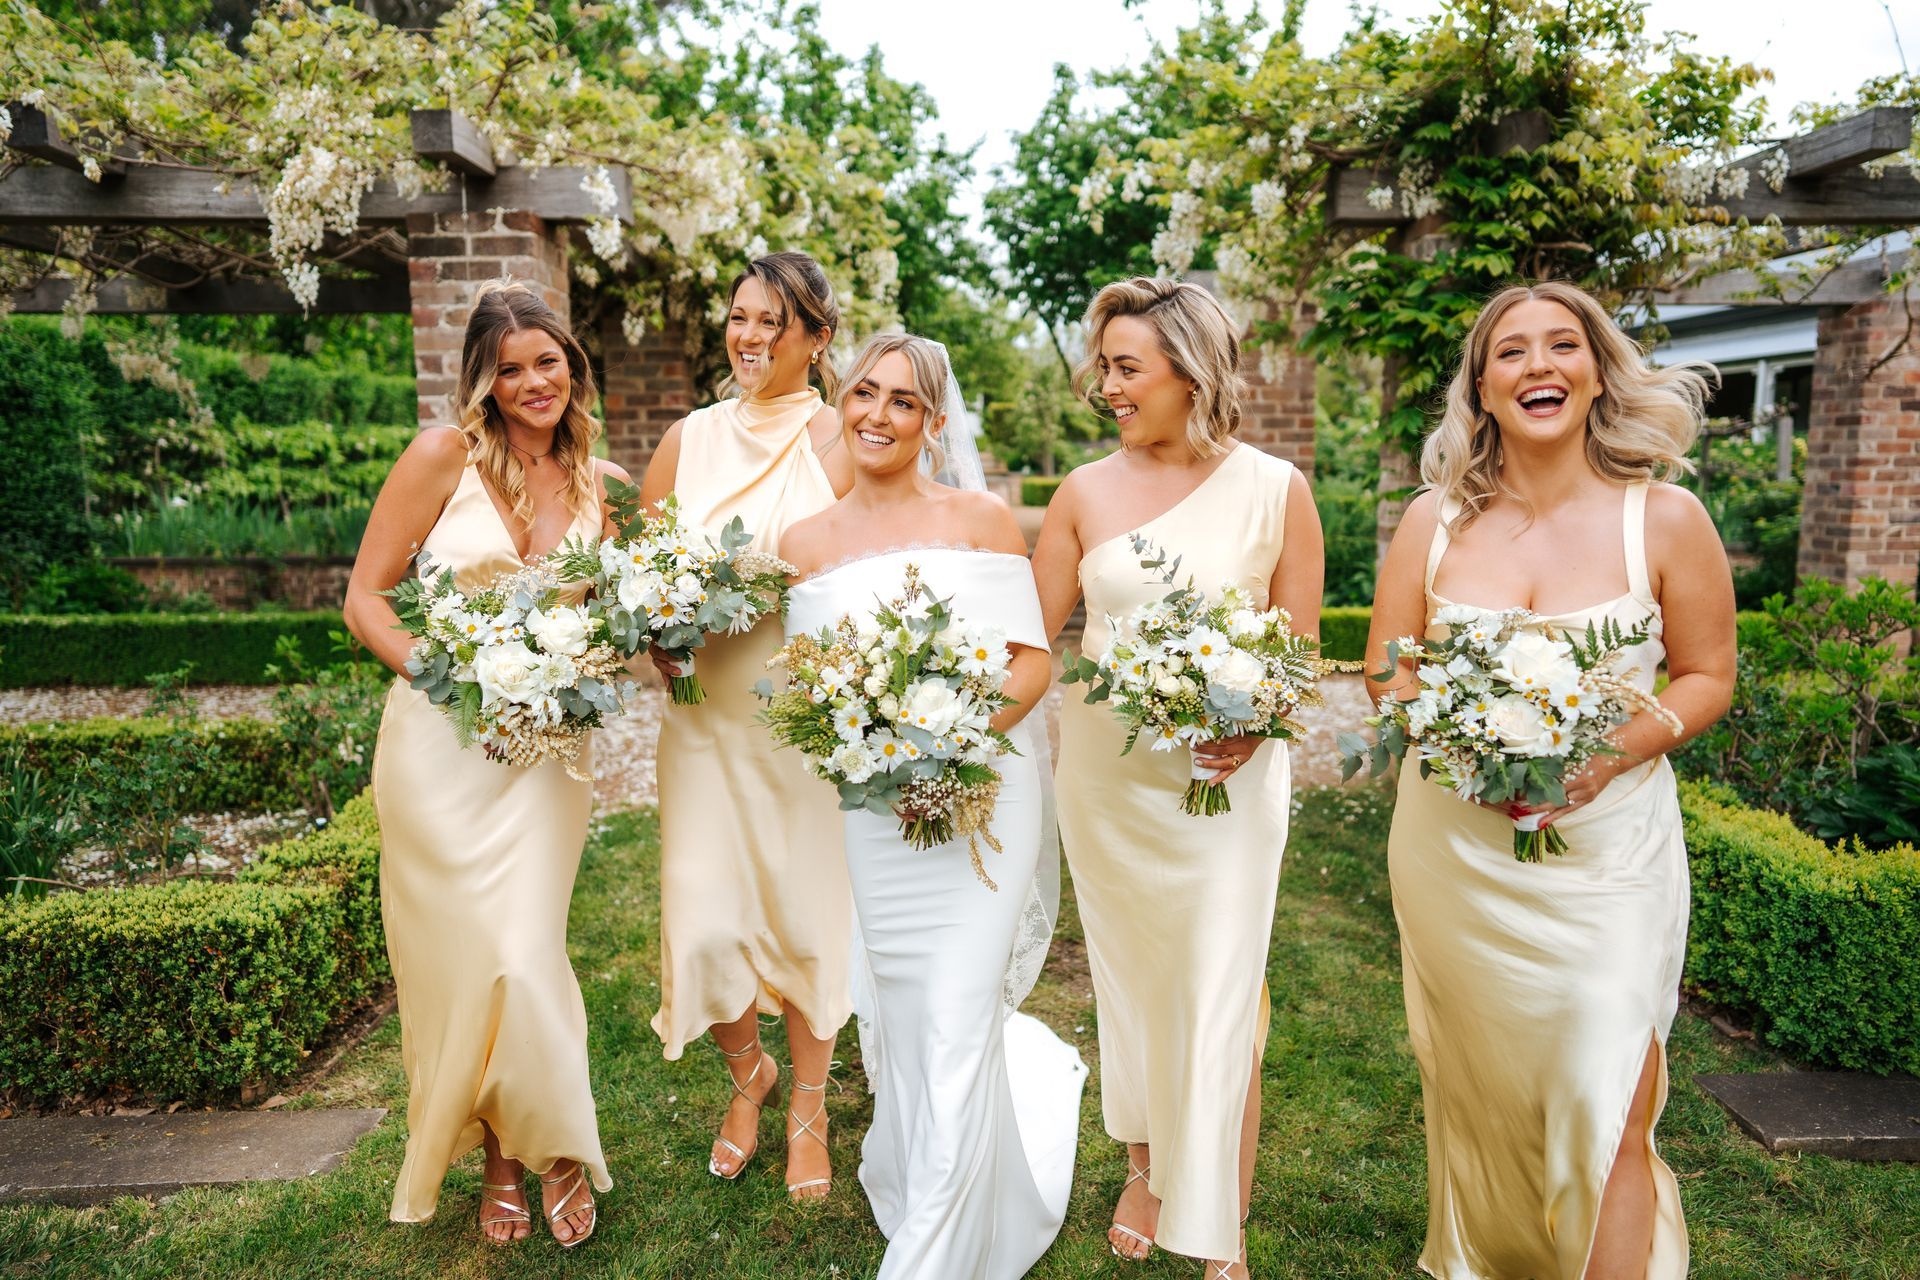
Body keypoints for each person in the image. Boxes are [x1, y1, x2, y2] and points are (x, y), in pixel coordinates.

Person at [1366, 279, 1735, 1279]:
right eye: (1512, 352)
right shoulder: (1432, 523)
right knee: (1483, 1093)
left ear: (1596, 371)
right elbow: (1389, 671)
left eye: (1562, 345)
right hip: (1456, 854)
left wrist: (1611, 751)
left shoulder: (1664, 518)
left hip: (1609, 858)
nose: (1539, 365)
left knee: (1604, 1090)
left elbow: (1708, 674)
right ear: (1481, 389)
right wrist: (1462, 748)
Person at [1032, 277, 1325, 1279]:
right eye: (1103, 365)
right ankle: (1148, 1162)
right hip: (1111, 781)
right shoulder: (1082, 492)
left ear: (1189, 373)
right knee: (1133, 975)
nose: (1104, 384)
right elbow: (1029, 641)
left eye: (1126, 366)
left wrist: (1258, 722)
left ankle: (1222, 1227)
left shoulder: (1276, 488)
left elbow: (1299, 652)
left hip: (1229, 779)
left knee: (1222, 985)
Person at [780, 333, 1086, 1277]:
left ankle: (930, 1257)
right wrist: (870, 747)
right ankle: (932, 1170)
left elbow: (1032, 662)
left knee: (955, 1010)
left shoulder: (982, 521)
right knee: (910, 1013)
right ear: (842, 402)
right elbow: (809, 694)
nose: (876, 414)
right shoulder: (803, 545)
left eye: (902, 402)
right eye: (864, 393)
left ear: (934, 422)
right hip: (877, 817)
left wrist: (947, 744)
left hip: (981, 797)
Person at [344, 279, 620, 1248]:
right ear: (485, 380)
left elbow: (612, 612)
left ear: (570, 366)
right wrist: (458, 676)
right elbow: (366, 601)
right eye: (512, 368)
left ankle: (549, 1145)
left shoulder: (590, 475)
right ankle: (506, 1156)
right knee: (468, 961)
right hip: (442, 746)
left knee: (525, 950)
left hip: (547, 754)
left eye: (548, 360)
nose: (534, 381)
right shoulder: (440, 456)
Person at [641, 250, 855, 1200]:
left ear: (817, 337)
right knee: (698, 919)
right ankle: (748, 1077)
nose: (750, 336)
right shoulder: (686, 440)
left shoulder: (846, 437)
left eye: (774, 321)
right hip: (700, 721)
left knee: (809, 917)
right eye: (738, 316)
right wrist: (655, 630)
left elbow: (875, 567)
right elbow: (636, 571)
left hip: (797, 722)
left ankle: (807, 1107)